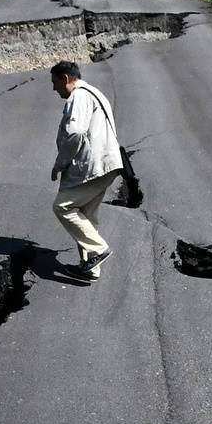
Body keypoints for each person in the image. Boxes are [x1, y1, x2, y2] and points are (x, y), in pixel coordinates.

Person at [48, 60, 122, 280]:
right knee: (86, 214)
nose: (54, 88)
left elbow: (75, 133)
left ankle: (98, 249)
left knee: (63, 207)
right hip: (106, 164)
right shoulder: (95, 93)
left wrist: (59, 164)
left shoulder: (78, 96)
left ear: (66, 79)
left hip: (92, 166)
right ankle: (90, 267)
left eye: (55, 83)